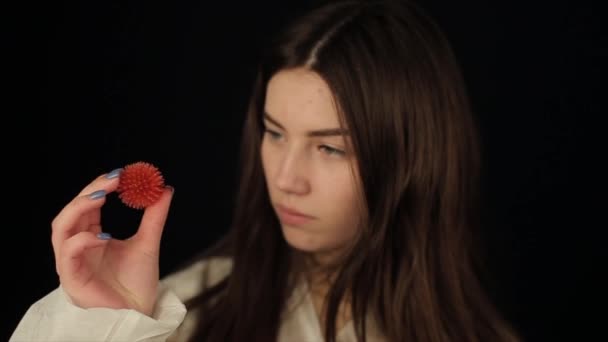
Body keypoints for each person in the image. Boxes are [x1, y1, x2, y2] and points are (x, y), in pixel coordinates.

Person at [11, 0, 521, 341]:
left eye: (330, 149)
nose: (286, 178)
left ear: (414, 157)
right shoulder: (185, 312)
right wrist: (103, 320)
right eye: (275, 134)